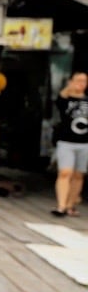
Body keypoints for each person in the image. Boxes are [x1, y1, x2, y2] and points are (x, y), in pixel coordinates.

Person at [52, 71, 88, 217]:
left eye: (84, 81)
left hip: (84, 142)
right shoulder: (65, 100)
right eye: (78, 80)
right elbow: (60, 99)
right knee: (65, 172)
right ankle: (61, 205)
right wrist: (70, 87)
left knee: (79, 175)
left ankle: (70, 205)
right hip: (66, 141)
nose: (81, 83)